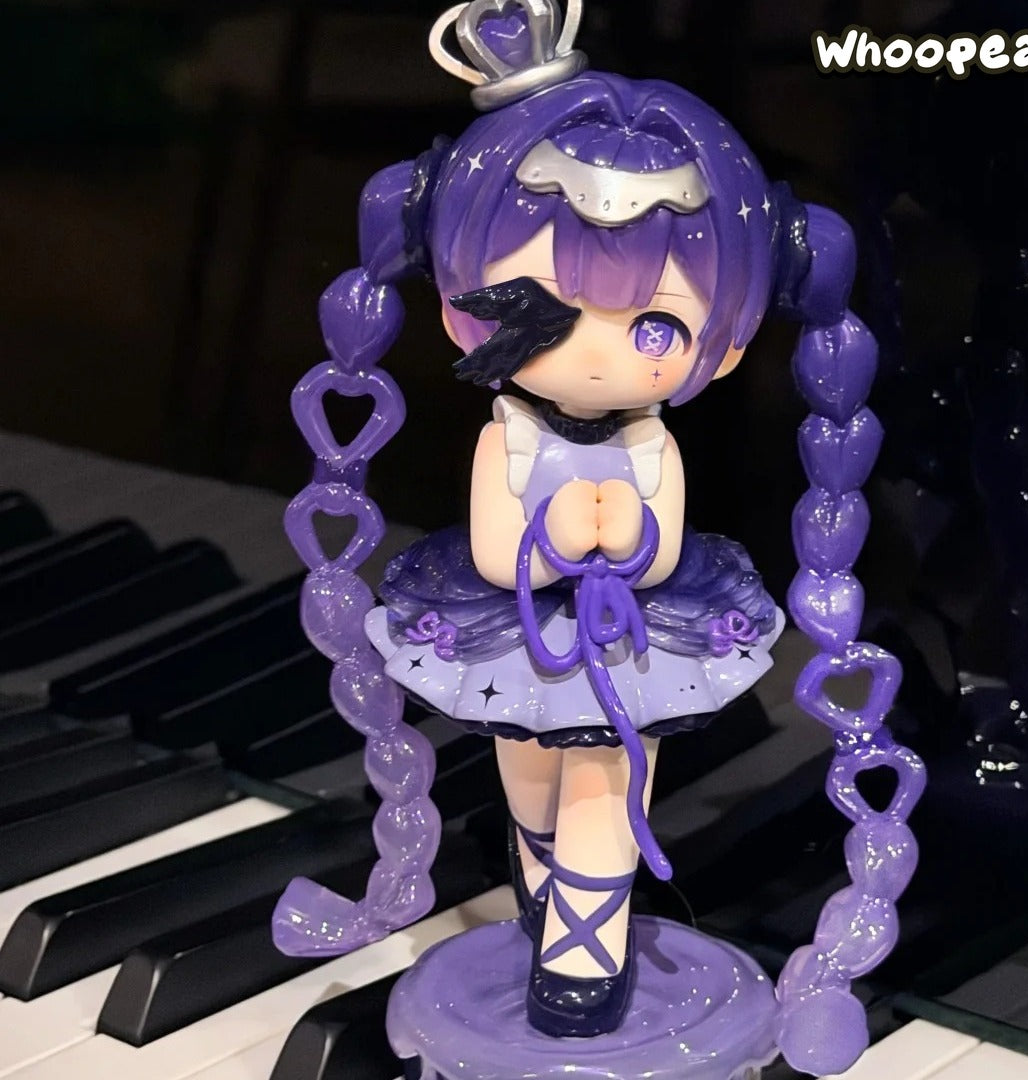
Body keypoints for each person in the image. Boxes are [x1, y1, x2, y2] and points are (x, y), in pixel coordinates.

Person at [275, 2, 923, 1070]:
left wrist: (621, 532)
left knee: (608, 786)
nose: (592, 354)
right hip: (514, 637)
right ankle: (543, 897)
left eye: (656, 326)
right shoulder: (507, 434)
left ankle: (584, 958)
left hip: (635, 641)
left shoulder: (651, 442)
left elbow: (657, 547)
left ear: (726, 347)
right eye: (541, 307)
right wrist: (554, 540)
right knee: (529, 781)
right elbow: (499, 550)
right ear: (458, 301)